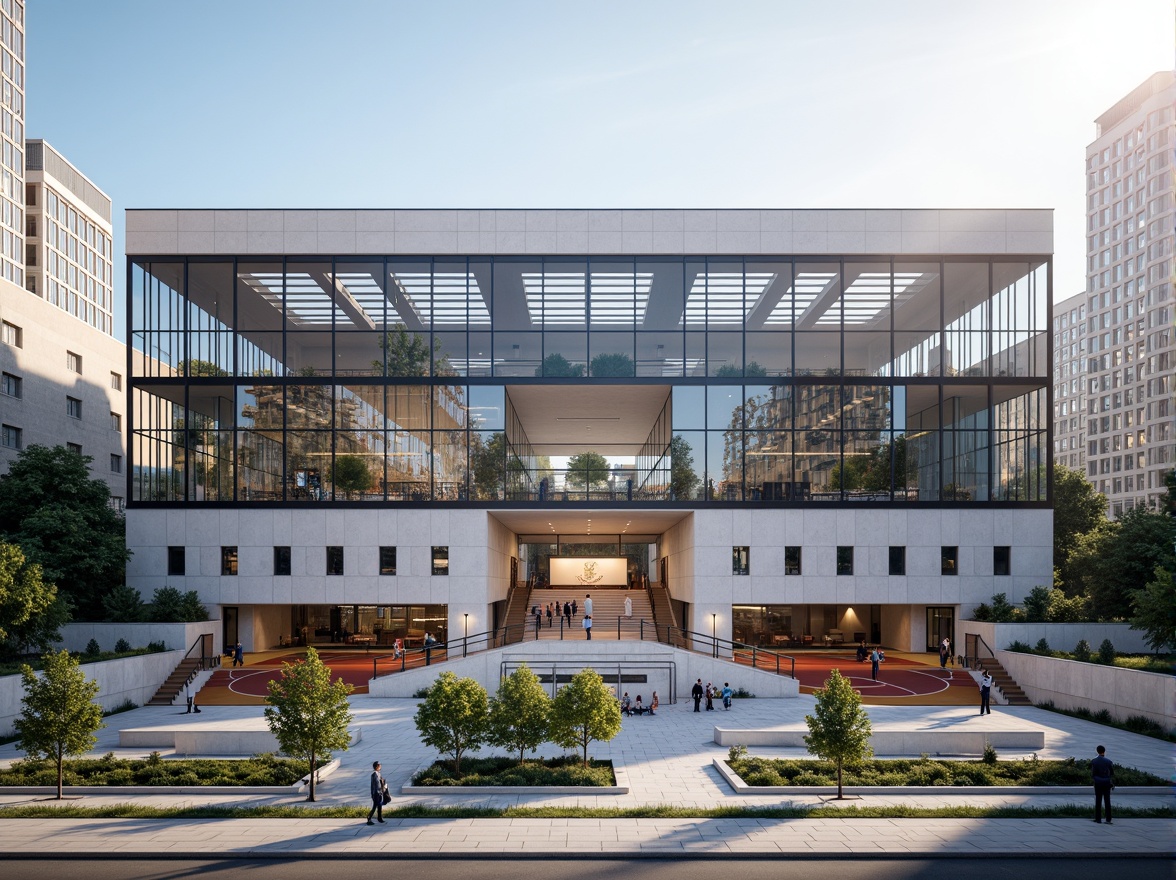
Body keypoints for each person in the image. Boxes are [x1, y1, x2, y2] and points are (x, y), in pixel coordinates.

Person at [1091, 745, 1114, 823]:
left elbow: (1093, 773)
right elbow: (1112, 773)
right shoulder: (1108, 761)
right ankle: (1108, 819)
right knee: (1107, 801)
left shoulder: (1094, 761)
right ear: (1104, 751)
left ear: (1097, 751)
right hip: (1106, 782)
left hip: (1098, 782)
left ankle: (1098, 819)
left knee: (1098, 800)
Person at [367, 760, 387, 825]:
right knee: (375, 806)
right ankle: (369, 818)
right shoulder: (374, 774)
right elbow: (376, 784)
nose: (380, 766)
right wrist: (381, 789)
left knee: (379, 806)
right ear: (377, 766)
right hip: (376, 793)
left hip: (379, 793)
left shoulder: (378, 773)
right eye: (379, 765)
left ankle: (379, 818)